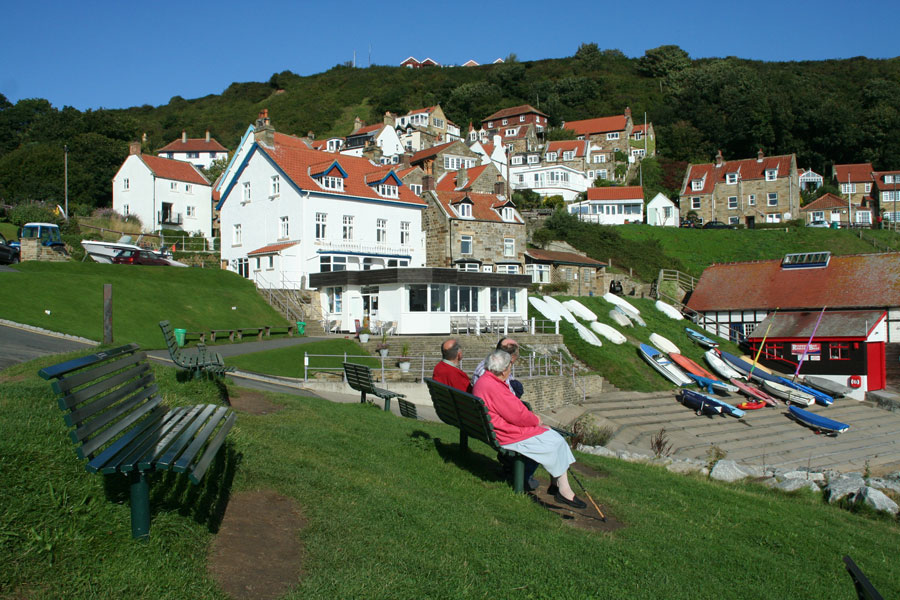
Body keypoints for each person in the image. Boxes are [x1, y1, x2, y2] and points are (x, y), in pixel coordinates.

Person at [472, 350, 587, 509]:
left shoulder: (485, 381)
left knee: (553, 437)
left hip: (496, 429)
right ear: (505, 369)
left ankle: (556, 485)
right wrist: (536, 420)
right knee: (557, 441)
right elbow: (517, 415)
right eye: (510, 367)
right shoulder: (494, 386)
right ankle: (564, 490)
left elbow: (512, 410)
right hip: (506, 434)